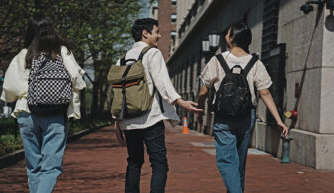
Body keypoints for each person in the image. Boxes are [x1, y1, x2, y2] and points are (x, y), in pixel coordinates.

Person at [113, 18, 202, 193]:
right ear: (145, 33)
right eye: (156, 32)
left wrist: (117, 120)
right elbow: (162, 82)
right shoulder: (152, 53)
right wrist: (180, 101)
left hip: (129, 119)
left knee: (134, 161)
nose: (160, 35)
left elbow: (117, 92)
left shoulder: (121, 60)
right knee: (159, 163)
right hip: (150, 117)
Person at [197, 22, 288, 193]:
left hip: (223, 116)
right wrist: (279, 120)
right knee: (239, 161)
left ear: (232, 38)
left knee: (226, 161)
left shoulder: (217, 61)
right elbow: (265, 93)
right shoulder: (255, 63)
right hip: (246, 117)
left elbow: (203, 90)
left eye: (228, 33)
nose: (225, 35)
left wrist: (200, 110)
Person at [0, 16, 86, 193]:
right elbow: (76, 79)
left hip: (26, 112)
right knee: (51, 168)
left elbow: (10, 86)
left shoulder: (24, 53)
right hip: (54, 114)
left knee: (33, 167)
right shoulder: (62, 51)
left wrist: (22, 93)